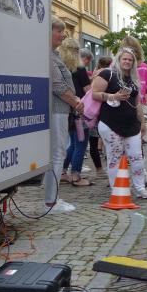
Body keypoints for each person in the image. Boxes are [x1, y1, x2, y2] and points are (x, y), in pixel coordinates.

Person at [90, 47, 147, 199]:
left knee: (137, 157)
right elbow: (94, 94)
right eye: (124, 59)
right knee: (114, 158)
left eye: (130, 60)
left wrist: (142, 123)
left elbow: (137, 103)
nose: (127, 62)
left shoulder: (134, 79)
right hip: (110, 123)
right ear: (119, 59)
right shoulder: (108, 74)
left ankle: (140, 188)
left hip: (132, 125)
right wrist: (113, 96)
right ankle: (116, 189)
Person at [44, 18, 83, 213]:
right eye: (58, 31)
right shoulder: (48, 56)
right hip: (56, 110)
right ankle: (51, 202)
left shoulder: (54, 55)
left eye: (63, 31)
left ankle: (51, 197)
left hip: (60, 109)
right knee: (58, 154)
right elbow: (58, 86)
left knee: (57, 152)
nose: (62, 34)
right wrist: (76, 102)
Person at [60, 39, 92, 187]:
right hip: (79, 109)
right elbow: (88, 91)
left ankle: (62, 172)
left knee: (72, 143)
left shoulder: (60, 67)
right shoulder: (79, 68)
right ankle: (76, 175)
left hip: (65, 109)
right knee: (80, 143)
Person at [119, 37, 147, 142]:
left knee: (118, 140)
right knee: (135, 139)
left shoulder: (116, 65)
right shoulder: (144, 67)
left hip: (118, 106)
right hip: (136, 106)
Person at [88, 56, 113, 174]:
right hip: (104, 110)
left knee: (93, 141)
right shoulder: (108, 73)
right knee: (110, 141)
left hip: (92, 111)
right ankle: (109, 167)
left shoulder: (95, 73)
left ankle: (99, 169)